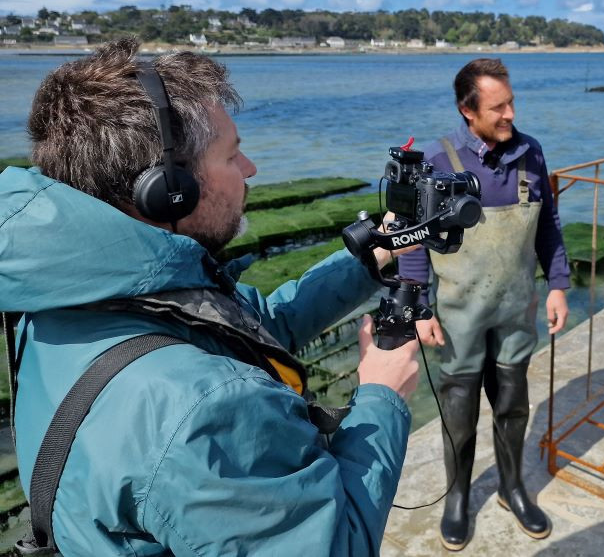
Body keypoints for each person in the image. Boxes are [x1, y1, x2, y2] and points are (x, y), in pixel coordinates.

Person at [0, 37, 420, 556]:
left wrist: (370, 258)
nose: (250, 170)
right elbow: (339, 546)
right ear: (168, 190)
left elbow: (252, 325)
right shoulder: (201, 410)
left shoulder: (67, 296)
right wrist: (382, 394)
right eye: (231, 153)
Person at [398, 57, 571, 551]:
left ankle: (512, 487)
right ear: (466, 110)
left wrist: (557, 285)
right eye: (498, 107)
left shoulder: (530, 153)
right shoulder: (435, 160)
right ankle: (457, 497)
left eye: (512, 102)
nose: (510, 114)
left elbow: (548, 224)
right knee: (458, 410)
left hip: (516, 311)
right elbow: (413, 243)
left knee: (513, 405)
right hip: (458, 317)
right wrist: (420, 309)